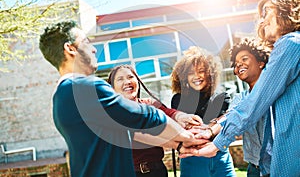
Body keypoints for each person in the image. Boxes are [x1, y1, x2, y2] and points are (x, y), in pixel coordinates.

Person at [39, 21, 205, 177]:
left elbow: (130, 132)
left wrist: (179, 142)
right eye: (86, 42)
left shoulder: (60, 97)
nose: (94, 49)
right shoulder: (86, 88)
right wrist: (186, 136)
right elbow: (147, 116)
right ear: (70, 48)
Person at [191, 0, 300, 177]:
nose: (262, 21)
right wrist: (210, 131)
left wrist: (217, 143)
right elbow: (238, 109)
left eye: (267, 13)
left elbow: (253, 105)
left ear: (286, 10)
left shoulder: (290, 43)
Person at [107, 64, 203, 177]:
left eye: (130, 77)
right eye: (120, 79)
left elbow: (168, 113)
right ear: (112, 87)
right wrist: (179, 144)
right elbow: (138, 134)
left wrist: (181, 117)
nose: (127, 81)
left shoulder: (150, 103)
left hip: (157, 171)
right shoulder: (111, 114)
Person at [170, 46, 236, 177]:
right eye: (190, 73)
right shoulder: (178, 99)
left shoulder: (222, 97)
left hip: (220, 158)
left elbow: (223, 127)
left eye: (201, 71)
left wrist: (210, 128)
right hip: (192, 159)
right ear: (184, 77)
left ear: (210, 73)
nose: (196, 76)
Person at [229, 39, 271, 176]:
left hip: (279, 164)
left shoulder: (275, 93)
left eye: (244, 59)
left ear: (260, 63)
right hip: (254, 168)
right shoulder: (240, 99)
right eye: (236, 64)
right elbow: (230, 119)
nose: (239, 64)